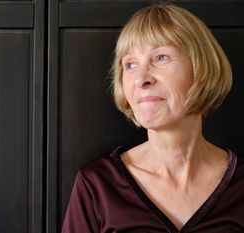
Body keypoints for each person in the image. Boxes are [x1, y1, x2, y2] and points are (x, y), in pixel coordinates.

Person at [61, 3, 244, 233]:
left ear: (201, 68)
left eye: (161, 57)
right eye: (131, 64)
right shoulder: (97, 184)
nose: (140, 79)